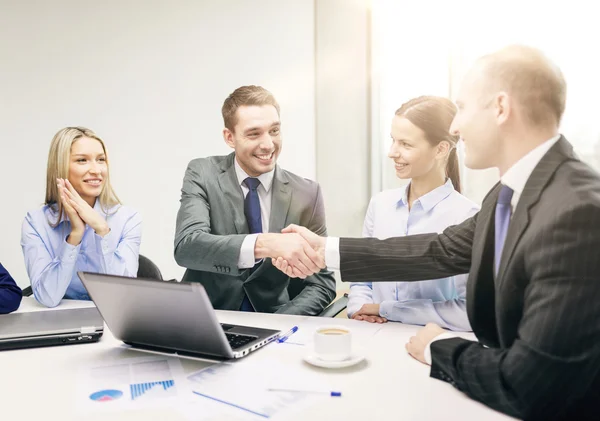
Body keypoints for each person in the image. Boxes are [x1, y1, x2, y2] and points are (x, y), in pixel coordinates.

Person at [274, 45, 600, 420]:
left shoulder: (578, 211)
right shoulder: (507, 194)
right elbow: (440, 250)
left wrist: (438, 346)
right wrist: (325, 249)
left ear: (500, 108)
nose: (456, 126)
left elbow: (531, 385)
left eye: (462, 107)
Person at [174, 85, 335, 315]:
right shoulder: (203, 173)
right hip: (207, 317)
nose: (268, 144)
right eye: (254, 133)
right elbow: (188, 246)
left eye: (274, 131)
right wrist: (265, 244)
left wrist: (280, 324)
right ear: (229, 137)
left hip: (274, 322)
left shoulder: (307, 193)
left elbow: (321, 283)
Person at [347, 96, 478, 330]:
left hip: (430, 343)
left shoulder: (467, 216)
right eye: (393, 141)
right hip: (372, 334)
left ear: (441, 149)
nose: (392, 153)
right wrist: (360, 309)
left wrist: (389, 310)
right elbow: (362, 279)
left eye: (406, 144)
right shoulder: (380, 204)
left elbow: (468, 310)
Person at [22, 127, 142, 308]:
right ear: (60, 167)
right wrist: (75, 236)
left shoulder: (128, 219)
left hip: (113, 322)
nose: (96, 170)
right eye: (82, 160)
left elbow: (123, 296)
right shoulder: (36, 222)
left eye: (101, 160)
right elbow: (48, 297)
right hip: (61, 323)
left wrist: (102, 230)